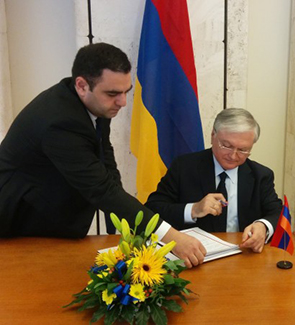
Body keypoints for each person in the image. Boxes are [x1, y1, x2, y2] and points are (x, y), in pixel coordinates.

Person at [0, 43, 206, 268]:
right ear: (82, 85)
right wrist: (170, 237)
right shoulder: (59, 122)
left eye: (126, 92)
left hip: (49, 216)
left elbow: (105, 159)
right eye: (113, 93)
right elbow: (101, 189)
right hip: (19, 225)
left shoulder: (96, 104)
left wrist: (122, 228)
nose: (122, 102)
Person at [146, 108, 283, 253]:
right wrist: (193, 209)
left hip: (242, 254)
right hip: (193, 254)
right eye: (226, 146)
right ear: (213, 136)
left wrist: (263, 226)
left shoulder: (261, 175)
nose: (233, 155)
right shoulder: (184, 167)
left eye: (243, 150)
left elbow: (278, 213)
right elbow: (153, 209)